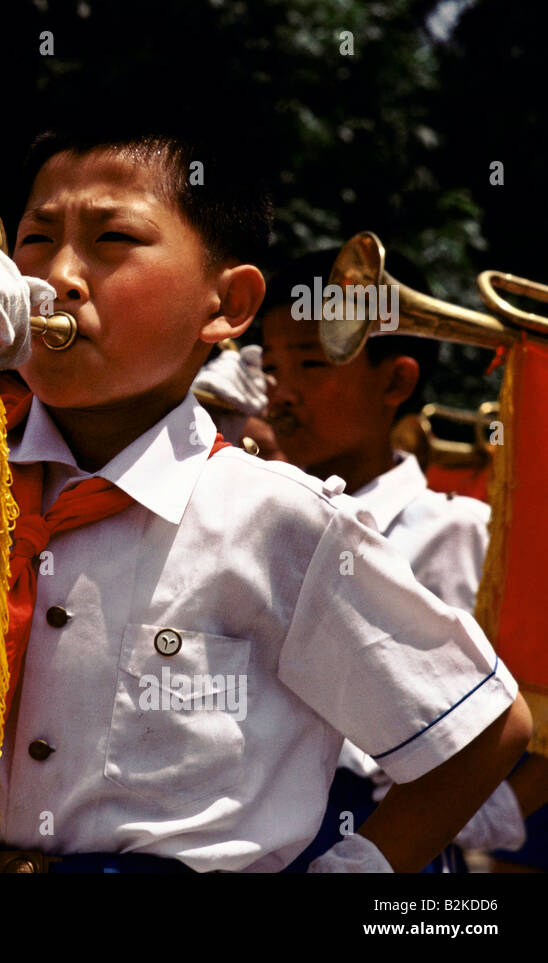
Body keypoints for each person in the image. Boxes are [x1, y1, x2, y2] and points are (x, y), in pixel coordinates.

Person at [0, 120, 531, 872]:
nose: (58, 277)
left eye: (113, 239)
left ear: (226, 305)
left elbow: (481, 730)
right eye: (34, 240)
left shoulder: (282, 520)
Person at [260, 249, 548, 870]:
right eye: (270, 365)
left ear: (396, 383)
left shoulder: (459, 528)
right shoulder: (255, 513)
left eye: (311, 361)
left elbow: (528, 717)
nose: (280, 391)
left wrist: (470, 820)